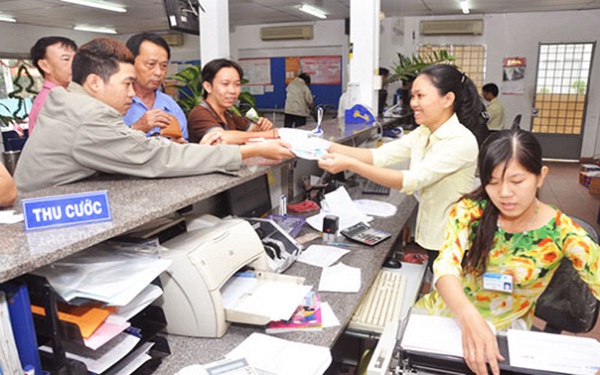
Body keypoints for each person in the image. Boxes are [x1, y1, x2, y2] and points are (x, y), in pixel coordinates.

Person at [415, 129, 600, 375]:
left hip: (506, 334)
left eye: (516, 181)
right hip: (445, 318)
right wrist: (469, 319)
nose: (504, 193)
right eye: (493, 182)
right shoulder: (469, 212)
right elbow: (445, 266)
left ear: (540, 177)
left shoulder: (562, 232)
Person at [14, 38, 294, 194]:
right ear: (95, 82)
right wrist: (250, 152)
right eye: (126, 84)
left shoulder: (70, 102)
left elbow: (130, 145)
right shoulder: (87, 115)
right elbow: (159, 158)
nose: (131, 93)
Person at [318, 64, 481, 267]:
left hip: (453, 242)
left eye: (420, 96)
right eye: (412, 96)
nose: (413, 103)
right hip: (434, 235)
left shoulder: (460, 141)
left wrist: (351, 164)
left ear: (447, 99)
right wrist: (325, 146)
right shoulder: (424, 132)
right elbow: (380, 155)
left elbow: (412, 180)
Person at [187, 58, 275, 144]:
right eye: (225, 84)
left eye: (237, 84)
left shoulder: (228, 113)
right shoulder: (200, 114)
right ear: (208, 87)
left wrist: (262, 126)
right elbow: (221, 137)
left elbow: (251, 130)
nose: (232, 91)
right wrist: (268, 134)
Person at [123, 33, 187, 143]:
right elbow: (106, 147)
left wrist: (181, 145)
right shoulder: (115, 102)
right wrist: (138, 128)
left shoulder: (171, 106)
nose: (158, 73)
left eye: (163, 66)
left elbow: (184, 144)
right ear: (131, 63)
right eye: (151, 64)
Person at [28, 36, 77, 134]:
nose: (74, 64)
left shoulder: (65, 95)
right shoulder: (52, 101)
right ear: (44, 66)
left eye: (75, 59)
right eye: (66, 59)